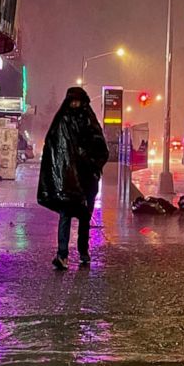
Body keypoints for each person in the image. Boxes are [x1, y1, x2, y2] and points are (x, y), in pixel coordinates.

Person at [37, 87, 109, 271]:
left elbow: (99, 145)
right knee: (66, 215)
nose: (74, 104)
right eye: (72, 101)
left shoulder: (89, 120)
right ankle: (62, 255)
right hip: (68, 178)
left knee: (85, 216)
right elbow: (53, 147)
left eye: (77, 101)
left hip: (86, 178)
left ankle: (83, 251)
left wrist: (92, 164)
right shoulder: (62, 121)